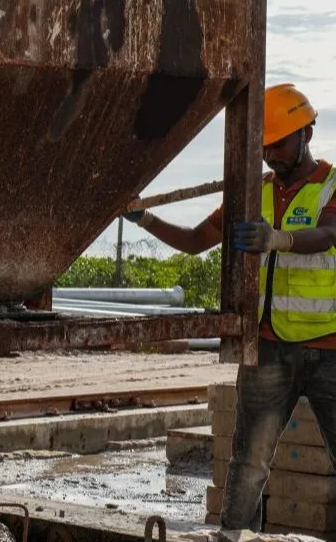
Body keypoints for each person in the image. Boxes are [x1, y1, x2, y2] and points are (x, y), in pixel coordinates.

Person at [124, 84, 336, 531]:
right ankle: (235, 537)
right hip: (267, 347)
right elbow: (194, 241)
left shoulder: (331, 185)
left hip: (330, 349)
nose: (270, 155)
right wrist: (146, 218)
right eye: (264, 147)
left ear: (307, 134)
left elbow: (328, 234)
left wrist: (279, 239)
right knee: (249, 464)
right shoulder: (251, 191)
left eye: (279, 144)